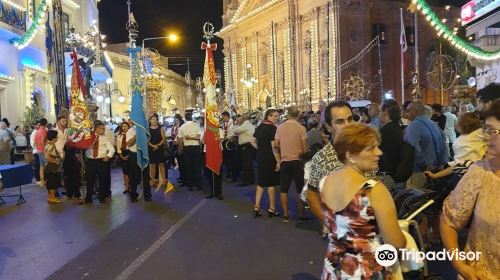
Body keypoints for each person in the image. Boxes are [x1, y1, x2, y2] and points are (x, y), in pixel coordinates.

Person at [321, 123, 406, 279]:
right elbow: (396, 242)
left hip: (334, 267)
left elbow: (332, 223)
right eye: (370, 148)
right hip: (365, 270)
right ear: (349, 155)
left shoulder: (325, 181)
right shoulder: (373, 189)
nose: (379, 152)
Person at [440, 99, 500, 280]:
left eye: (493, 131)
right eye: (486, 129)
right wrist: (458, 263)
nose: (486, 136)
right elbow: (449, 219)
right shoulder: (480, 173)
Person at [306, 101, 353, 223]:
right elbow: (311, 195)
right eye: (340, 121)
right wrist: (330, 224)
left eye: (350, 119)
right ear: (328, 127)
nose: (347, 125)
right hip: (342, 229)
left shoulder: (365, 149)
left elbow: (373, 180)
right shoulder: (323, 158)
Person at [274, 106, 308, 223]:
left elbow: (276, 144)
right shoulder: (301, 128)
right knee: (299, 189)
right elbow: (305, 148)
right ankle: (301, 214)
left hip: (285, 161)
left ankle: (285, 214)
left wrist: (283, 148)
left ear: (287, 114)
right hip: (298, 161)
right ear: (297, 115)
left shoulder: (279, 128)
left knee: (284, 189)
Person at [404, 102, 449, 189]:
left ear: (415, 111)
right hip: (437, 169)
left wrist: (425, 166)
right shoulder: (433, 124)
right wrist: (441, 165)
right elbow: (444, 145)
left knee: (416, 199)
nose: (406, 114)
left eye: (408, 111)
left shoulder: (413, 126)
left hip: (420, 172)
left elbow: (413, 149)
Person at [253, 108, 280, 218]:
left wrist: (260, 149)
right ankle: (272, 208)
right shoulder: (272, 129)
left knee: (260, 183)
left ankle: (257, 207)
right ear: (269, 116)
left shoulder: (259, 126)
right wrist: (278, 161)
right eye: (275, 116)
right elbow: (274, 147)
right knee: (271, 184)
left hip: (260, 158)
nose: (277, 118)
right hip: (270, 158)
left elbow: (252, 141)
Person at [84, 122, 115, 204]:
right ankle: (88, 197)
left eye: (103, 128)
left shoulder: (104, 138)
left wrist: (108, 156)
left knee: (102, 179)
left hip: (101, 161)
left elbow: (112, 149)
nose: (103, 130)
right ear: (96, 129)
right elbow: (84, 146)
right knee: (90, 180)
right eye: (101, 128)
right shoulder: (89, 137)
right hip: (91, 161)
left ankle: (102, 196)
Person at [177, 112, 202, 191]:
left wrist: (180, 148)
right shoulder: (196, 125)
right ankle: (198, 184)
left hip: (186, 148)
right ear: (192, 117)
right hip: (195, 148)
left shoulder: (182, 127)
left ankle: (190, 185)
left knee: (188, 167)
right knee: (197, 166)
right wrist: (193, 138)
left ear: (185, 118)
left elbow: (179, 139)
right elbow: (199, 137)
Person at [234, 112, 256, 186]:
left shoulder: (245, 125)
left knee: (246, 163)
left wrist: (238, 123)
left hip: (246, 146)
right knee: (248, 163)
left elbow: (236, 131)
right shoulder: (249, 124)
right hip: (249, 146)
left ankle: (247, 180)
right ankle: (251, 179)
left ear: (243, 118)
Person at [148, 113, 168, 190]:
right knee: (152, 165)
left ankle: (163, 181)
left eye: (156, 119)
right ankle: (152, 181)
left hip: (159, 148)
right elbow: (147, 140)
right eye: (153, 119)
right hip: (151, 148)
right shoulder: (148, 129)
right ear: (150, 120)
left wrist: (158, 146)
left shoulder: (161, 128)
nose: (155, 121)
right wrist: (153, 146)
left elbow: (164, 138)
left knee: (161, 164)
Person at [44, 130, 62, 204]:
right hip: (52, 167)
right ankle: (52, 198)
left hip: (52, 167)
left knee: (51, 182)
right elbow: (47, 157)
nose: (57, 137)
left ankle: (51, 197)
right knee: (52, 183)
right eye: (56, 136)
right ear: (54, 137)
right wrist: (56, 161)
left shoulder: (50, 144)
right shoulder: (51, 146)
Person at [221, 111, 238, 182]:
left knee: (231, 161)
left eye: (223, 117)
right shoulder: (226, 123)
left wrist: (226, 137)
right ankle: (229, 175)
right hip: (226, 143)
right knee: (227, 161)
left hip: (230, 143)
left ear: (226, 116)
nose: (222, 119)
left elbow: (233, 134)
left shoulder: (232, 123)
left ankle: (233, 176)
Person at [116, 122, 131, 194]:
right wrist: (121, 156)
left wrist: (129, 155)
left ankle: (132, 186)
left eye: (126, 126)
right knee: (125, 172)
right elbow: (118, 148)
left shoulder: (131, 135)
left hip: (131, 154)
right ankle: (126, 187)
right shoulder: (119, 136)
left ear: (128, 127)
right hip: (122, 154)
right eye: (123, 126)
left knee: (131, 172)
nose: (124, 128)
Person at [35, 118, 48, 187]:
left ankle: (42, 182)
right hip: (43, 150)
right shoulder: (44, 130)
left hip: (38, 150)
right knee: (48, 165)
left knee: (41, 166)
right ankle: (49, 181)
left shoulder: (37, 131)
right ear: (46, 123)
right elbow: (43, 140)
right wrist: (45, 150)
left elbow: (35, 142)